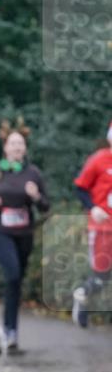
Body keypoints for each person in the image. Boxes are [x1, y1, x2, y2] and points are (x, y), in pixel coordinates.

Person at [0, 121, 49, 350]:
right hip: (0, 231)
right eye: (13, 143)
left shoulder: (33, 173)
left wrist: (36, 196)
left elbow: (46, 205)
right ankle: (8, 329)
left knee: (16, 282)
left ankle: (11, 330)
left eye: (21, 144)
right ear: (5, 147)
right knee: (12, 274)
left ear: (25, 148)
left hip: (24, 233)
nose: (17, 147)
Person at [71, 120, 112, 327]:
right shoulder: (99, 160)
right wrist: (93, 208)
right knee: (101, 275)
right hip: (103, 229)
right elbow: (80, 187)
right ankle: (82, 296)